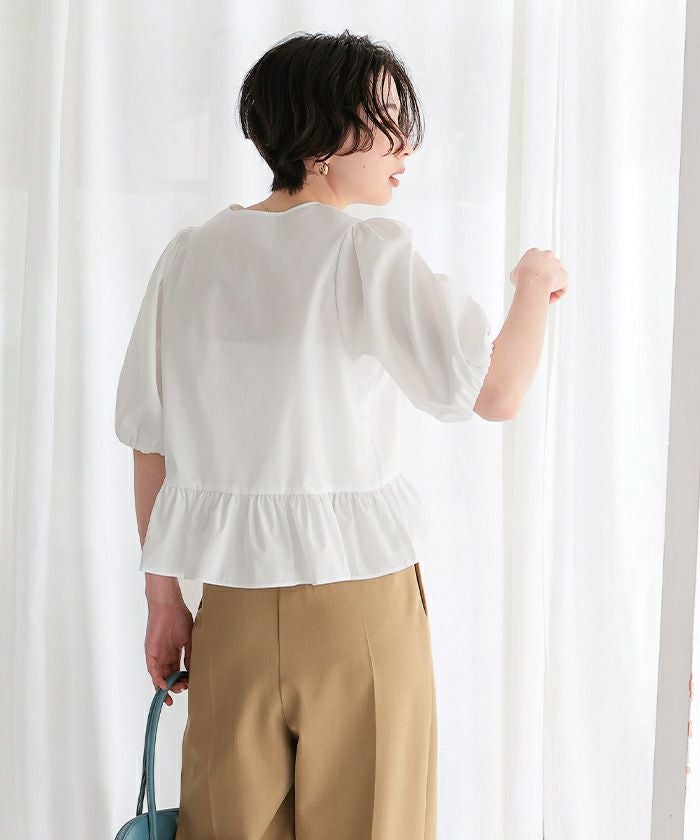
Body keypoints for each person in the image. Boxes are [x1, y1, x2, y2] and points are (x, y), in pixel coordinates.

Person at [115, 29, 567, 840]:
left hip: (231, 607)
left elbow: (150, 440)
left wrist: (163, 599)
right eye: (386, 123)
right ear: (321, 140)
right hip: (360, 606)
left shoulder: (189, 257)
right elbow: (496, 391)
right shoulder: (362, 251)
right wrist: (535, 285)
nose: (405, 148)